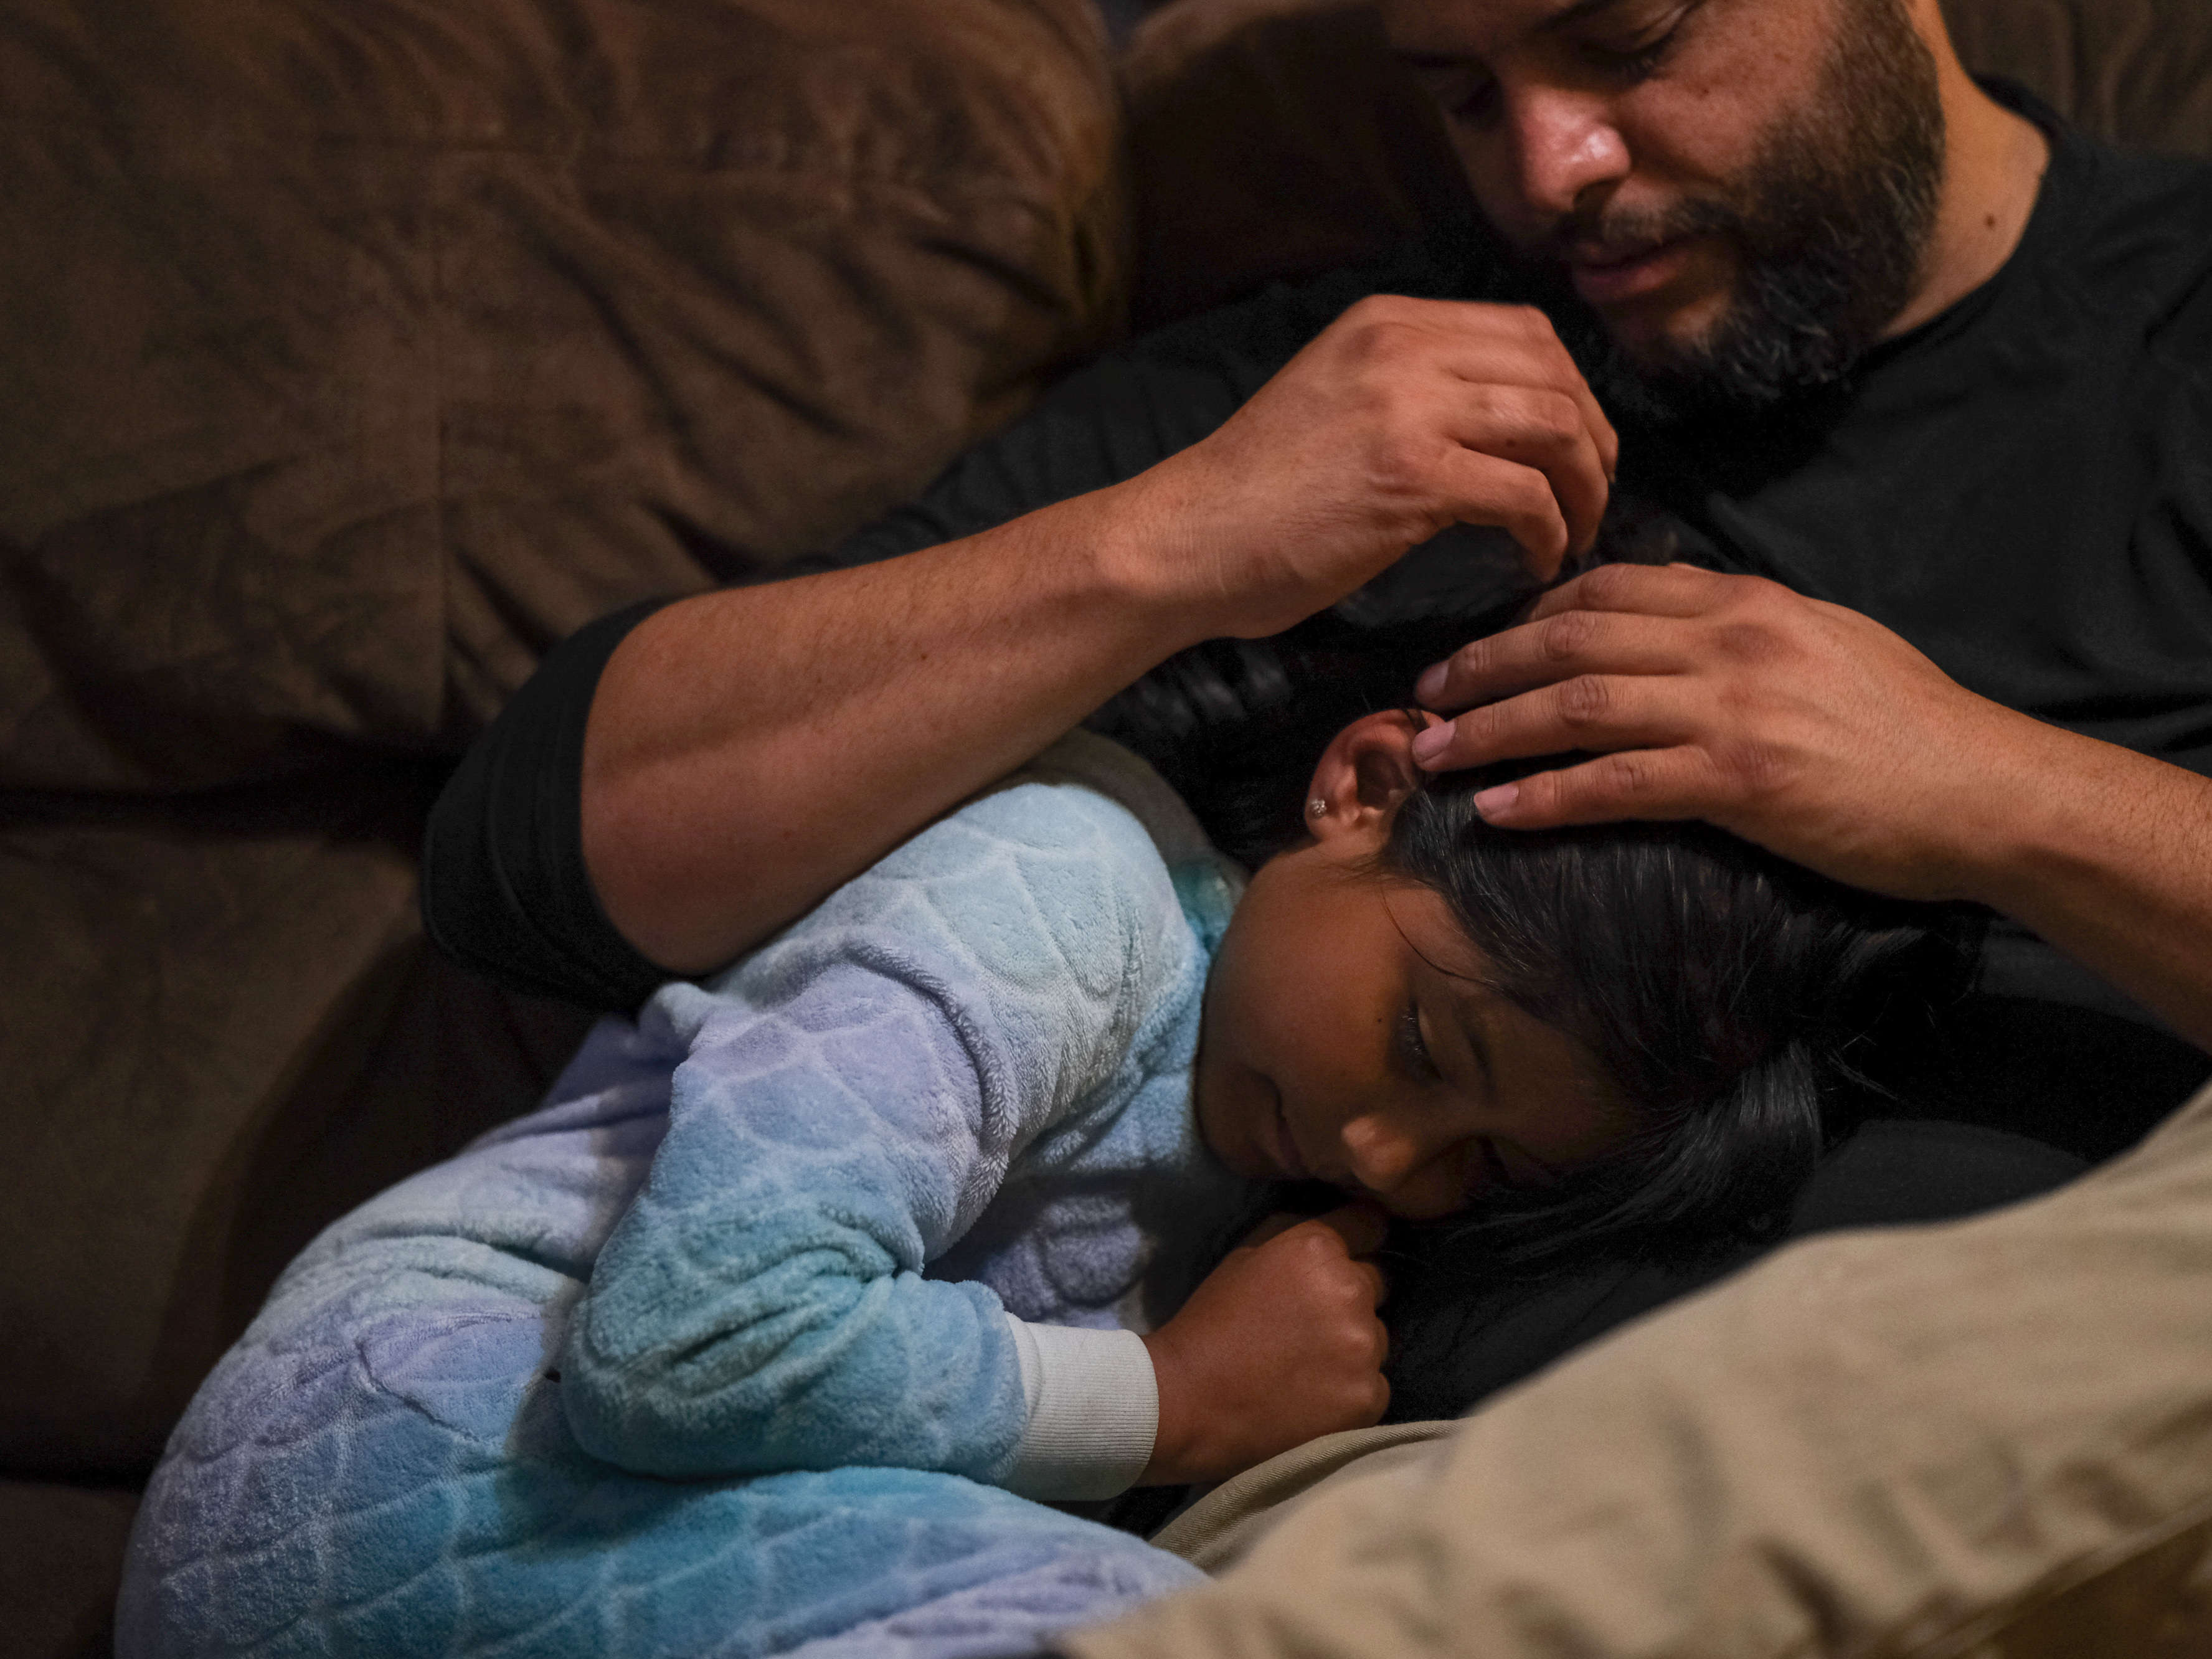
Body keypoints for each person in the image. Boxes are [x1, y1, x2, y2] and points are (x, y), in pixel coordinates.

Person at [423, 0, 2212, 1399]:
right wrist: (1180, 538)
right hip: (1383, 1508)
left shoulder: (2176, 330)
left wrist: (1996, 794)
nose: (1551, 165)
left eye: (1628, 40)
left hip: (2056, 1407)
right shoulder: (1357, 395)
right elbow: (542, 863)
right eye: (1458, 91)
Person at [124, 705, 1955, 1657]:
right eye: (1422, 1051)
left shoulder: (1269, 1160)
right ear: (1362, 786)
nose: (1393, 1161)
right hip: (407, 1435)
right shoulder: (1059, 898)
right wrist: (1169, 1399)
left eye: (1482, 1161)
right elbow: (681, 1343)